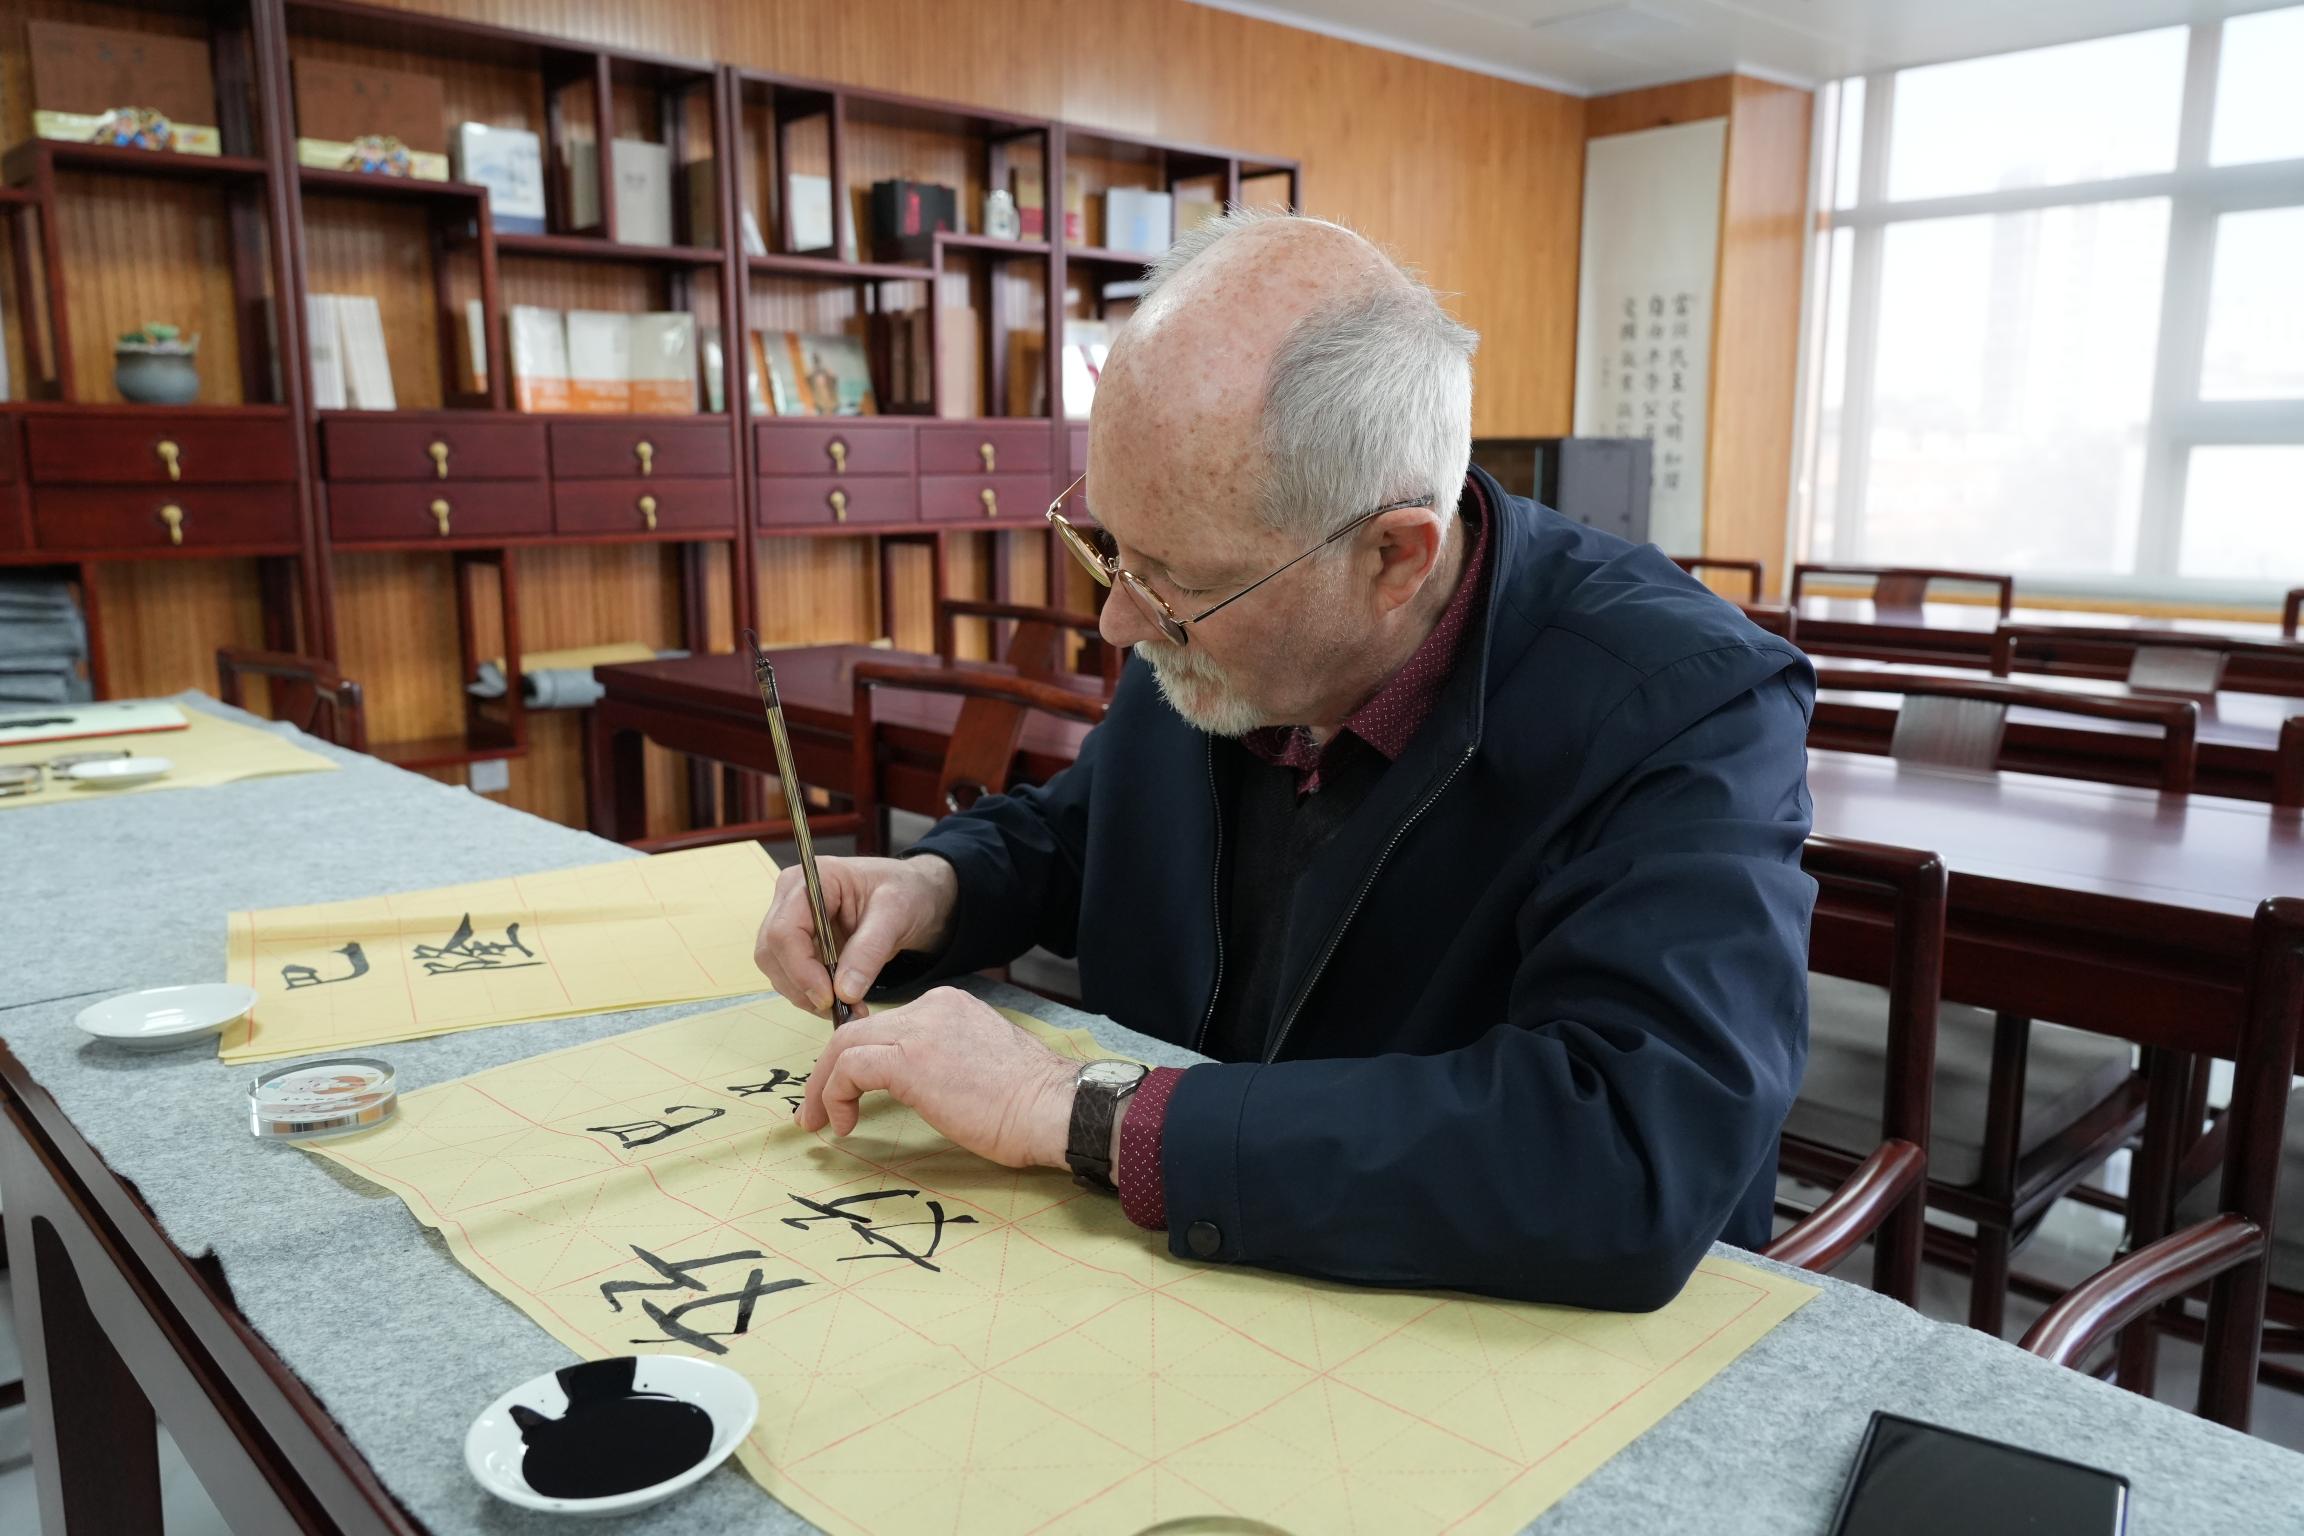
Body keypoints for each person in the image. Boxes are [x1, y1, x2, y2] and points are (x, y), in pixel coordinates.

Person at [754, 209, 1814, 1309]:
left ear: (1395, 556)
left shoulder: (1684, 704)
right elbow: (1094, 829)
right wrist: (937, 886)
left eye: (1172, 578)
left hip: (1463, 1327)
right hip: (1181, 1273)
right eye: (1109, 547)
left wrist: (1073, 1106)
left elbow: (1627, 1152)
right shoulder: (1212, 607)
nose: (1118, 620)